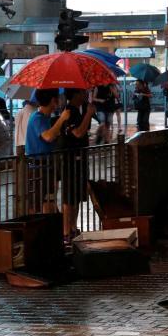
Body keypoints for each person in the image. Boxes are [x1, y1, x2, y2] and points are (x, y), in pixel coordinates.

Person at [25, 89, 71, 214]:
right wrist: (61, 119)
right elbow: (48, 136)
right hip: (38, 166)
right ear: (52, 101)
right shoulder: (37, 118)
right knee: (39, 201)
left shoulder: (46, 118)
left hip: (46, 164)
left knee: (49, 199)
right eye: (57, 98)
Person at [60, 88, 95, 242]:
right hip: (71, 159)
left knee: (77, 196)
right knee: (69, 197)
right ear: (75, 95)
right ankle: (66, 231)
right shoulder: (69, 112)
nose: (85, 95)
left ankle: (73, 227)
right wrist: (88, 113)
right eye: (82, 92)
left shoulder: (78, 111)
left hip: (80, 158)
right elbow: (78, 133)